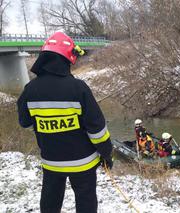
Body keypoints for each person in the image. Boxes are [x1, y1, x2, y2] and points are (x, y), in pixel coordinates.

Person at [17, 32, 113, 213]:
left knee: (50, 201)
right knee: (86, 202)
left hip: (51, 161)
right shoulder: (78, 88)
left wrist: (46, 128)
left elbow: (25, 123)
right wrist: (106, 154)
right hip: (83, 162)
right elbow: (97, 129)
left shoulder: (30, 90)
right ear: (68, 58)